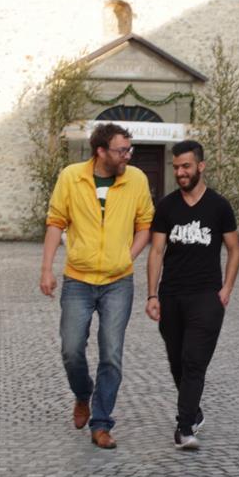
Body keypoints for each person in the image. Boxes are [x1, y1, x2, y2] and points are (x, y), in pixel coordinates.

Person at [40, 122, 154, 449]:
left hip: (118, 282)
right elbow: (55, 223)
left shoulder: (137, 180)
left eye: (129, 149)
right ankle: (81, 394)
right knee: (71, 349)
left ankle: (101, 423)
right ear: (101, 151)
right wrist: (46, 268)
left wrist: (126, 256)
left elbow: (145, 225)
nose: (128, 156)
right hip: (78, 278)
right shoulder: (71, 177)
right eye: (121, 150)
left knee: (112, 354)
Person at [145, 140, 239, 450]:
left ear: (201, 166)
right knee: (177, 363)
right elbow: (157, 250)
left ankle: (184, 427)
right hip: (171, 295)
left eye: (185, 166)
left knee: (194, 360)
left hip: (206, 297)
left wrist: (225, 290)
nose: (180, 172)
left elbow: (234, 249)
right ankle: (193, 410)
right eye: (176, 167)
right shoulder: (167, 206)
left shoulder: (219, 206)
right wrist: (151, 294)